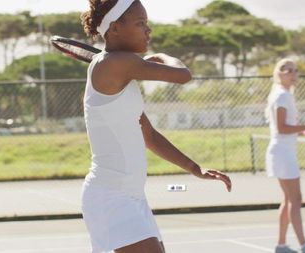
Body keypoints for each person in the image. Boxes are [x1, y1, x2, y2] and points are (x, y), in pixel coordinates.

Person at [79, 1, 232, 252]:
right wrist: (161, 57)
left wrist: (195, 168)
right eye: (141, 24)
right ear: (115, 28)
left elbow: (147, 135)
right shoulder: (114, 64)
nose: (148, 31)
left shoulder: (123, 72)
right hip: (110, 197)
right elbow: (183, 75)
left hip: (132, 197)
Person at [264, 59, 305, 253]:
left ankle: (281, 246)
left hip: (282, 151)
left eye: (295, 70)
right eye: (287, 70)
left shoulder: (283, 95)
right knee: (295, 200)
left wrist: (304, 131)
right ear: (278, 73)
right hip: (282, 153)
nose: (292, 73)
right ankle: (304, 246)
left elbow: (284, 128)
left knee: (288, 200)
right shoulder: (281, 96)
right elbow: (282, 128)